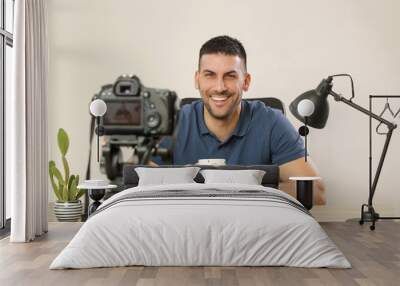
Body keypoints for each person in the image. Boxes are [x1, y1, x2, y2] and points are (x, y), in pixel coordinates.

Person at [153, 35, 326, 205]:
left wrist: (237, 189)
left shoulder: (271, 121)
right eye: (210, 75)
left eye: (230, 76)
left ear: (246, 81)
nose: (219, 87)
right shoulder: (172, 121)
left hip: (255, 227)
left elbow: (315, 192)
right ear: (197, 80)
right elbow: (136, 183)